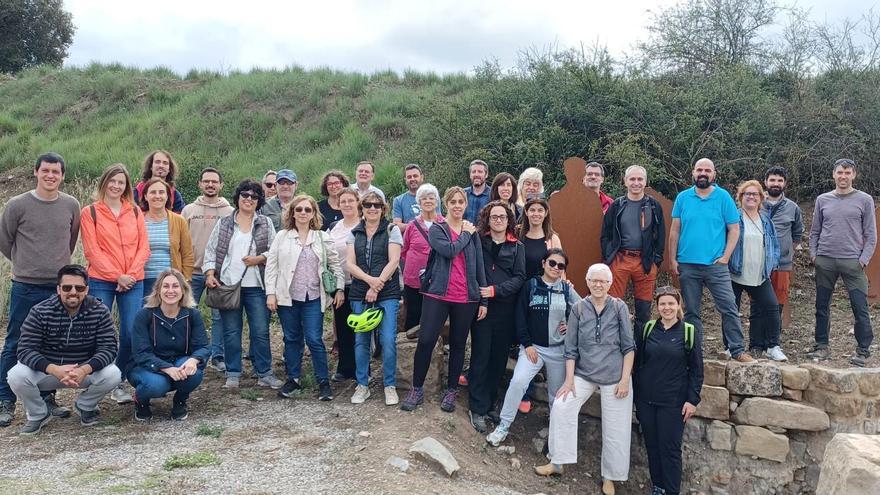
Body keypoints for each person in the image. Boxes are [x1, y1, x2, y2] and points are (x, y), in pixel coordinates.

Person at [536, 264, 635, 495]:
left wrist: (624, 379)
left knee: (617, 427)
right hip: (584, 374)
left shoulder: (619, 307)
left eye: (603, 281)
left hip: (615, 377)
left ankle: (610, 477)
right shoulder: (579, 309)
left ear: (609, 284)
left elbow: (629, 347)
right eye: (594, 281)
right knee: (561, 406)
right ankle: (558, 461)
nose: (598, 285)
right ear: (587, 282)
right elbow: (570, 349)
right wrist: (569, 380)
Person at [0, 152, 81, 427]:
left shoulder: (71, 205)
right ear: (36, 172)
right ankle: (5, 400)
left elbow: (70, 242)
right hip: (25, 285)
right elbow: (5, 239)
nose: (50, 176)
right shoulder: (17, 204)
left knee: (54, 343)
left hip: (58, 288)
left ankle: (48, 398)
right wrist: (24, 263)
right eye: (45, 171)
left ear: (62, 175)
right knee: (14, 342)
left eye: (56, 172)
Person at [400, 186, 488, 413]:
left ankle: (451, 390)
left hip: (466, 297)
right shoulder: (438, 229)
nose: (457, 206)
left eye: (461, 202)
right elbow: (448, 251)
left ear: (465, 205)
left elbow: (479, 265)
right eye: (453, 202)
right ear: (446, 205)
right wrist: (466, 234)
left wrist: (483, 299)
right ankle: (417, 389)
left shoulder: (472, 231)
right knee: (426, 340)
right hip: (438, 293)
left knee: (459, 344)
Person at [8, 264, 120, 435]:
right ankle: (38, 414)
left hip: (82, 372)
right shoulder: (40, 311)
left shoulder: (99, 311)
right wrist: (54, 369)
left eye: (79, 287)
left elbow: (109, 348)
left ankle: (85, 406)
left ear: (86, 289)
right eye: (67, 287)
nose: (73, 292)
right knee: (16, 374)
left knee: (113, 374)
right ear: (58, 289)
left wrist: (84, 369)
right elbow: (25, 350)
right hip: (49, 372)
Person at [486, 249, 580, 446]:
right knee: (518, 382)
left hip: (558, 350)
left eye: (561, 266)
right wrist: (526, 344)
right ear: (544, 263)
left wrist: (572, 325)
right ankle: (503, 425)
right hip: (533, 348)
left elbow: (584, 310)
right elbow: (520, 316)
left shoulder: (566, 289)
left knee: (557, 394)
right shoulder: (531, 285)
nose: (555, 268)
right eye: (552, 263)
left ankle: (556, 437)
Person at [668, 158, 753, 363]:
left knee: (729, 308)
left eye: (707, 170)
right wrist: (672, 259)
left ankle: (737, 350)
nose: (703, 173)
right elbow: (675, 230)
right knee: (691, 312)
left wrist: (725, 257)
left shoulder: (723, 197)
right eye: (699, 170)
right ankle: (693, 352)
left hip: (716, 266)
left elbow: (734, 229)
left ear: (714, 175)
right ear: (693, 173)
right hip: (687, 264)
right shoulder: (683, 198)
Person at [81, 163, 151, 404]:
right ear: (104, 182)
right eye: (112, 180)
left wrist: (129, 274)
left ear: (126, 186)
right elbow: (92, 251)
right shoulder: (90, 212)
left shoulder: (134, 211)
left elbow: (144, 248)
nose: (116, 185)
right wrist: (116, 276)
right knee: (98, 333)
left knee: (132, 331)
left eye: (121, 182)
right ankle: (94, 382)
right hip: (101, 279)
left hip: (133, 279)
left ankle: (118, 378)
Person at [203, 179, 282, 389]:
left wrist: (259, 259)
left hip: (257, 285)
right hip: (229, 285)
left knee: (260, 331)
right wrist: (210, 273)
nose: (249, 199)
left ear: (259, 201)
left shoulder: (265, 223)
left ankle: (264, 372)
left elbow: (274, 252)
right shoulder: (225, 223)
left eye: (254, 196)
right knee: (231, 332)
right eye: (245, 195)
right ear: (237, 198)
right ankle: (233, 373)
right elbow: (211, 251)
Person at [266, 195, 345, 401]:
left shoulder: (321, 237)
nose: (303, 213)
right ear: (292, 212)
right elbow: (271, 267)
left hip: (313, 296)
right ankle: (293, 379)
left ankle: (323, 382)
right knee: (291, 338)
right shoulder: (282, 237)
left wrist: (339, 289)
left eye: (307, 210)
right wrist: (271, 293)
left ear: (313, 214)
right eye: (299, 209)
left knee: (314, 339)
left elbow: (335, 265)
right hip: (288, 297)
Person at [634, 286, 704, 495]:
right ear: (657, 307)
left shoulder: (689, 331)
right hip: (646, 400)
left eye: (671, 303)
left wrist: (692, 400)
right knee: (652, 447)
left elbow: (697, 370)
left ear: (679, 305)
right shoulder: (647, 329)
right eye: (662, 303)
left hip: (673, 402)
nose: (667, 307)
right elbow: (637, 364)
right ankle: (658, 488)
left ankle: (672, 491)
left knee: (670, 450)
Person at [807, 158, 876, 366]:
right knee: (822, 306)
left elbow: (871, 235)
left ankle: (863, 350)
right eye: (839, 173)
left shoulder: (864, 200)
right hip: (825, 260)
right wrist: (814, 255)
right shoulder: (823, 199)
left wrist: (863, 260)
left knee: (859, 306)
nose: (843, 177)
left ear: (854, 175)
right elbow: (815, 231)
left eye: (847, 173)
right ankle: (821, 346)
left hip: (852, 262)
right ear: (833, 175)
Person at [467, 201, 526, 433]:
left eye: (502, 217)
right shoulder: (478, 242)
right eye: (494, 217)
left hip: (505, 309)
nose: (498, 220)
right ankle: (477, 407)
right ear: (487, 219)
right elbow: (472, 269)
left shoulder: (517, 246)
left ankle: (490, 403)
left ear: (509, 220)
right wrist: (484, 294)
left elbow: (520, 277)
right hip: (482, 308)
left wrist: (496, 290)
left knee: (498, 359)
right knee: (481, 355)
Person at [128, 269, 210, 421]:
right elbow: (141, 354)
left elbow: (203, 347)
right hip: (147, 367)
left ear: (183, 290)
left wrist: (193, 360)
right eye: (166, 286)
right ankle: (141, 401)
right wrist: (167, 368)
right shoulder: (144, 315)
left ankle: (180, 400)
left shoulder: (192, 314)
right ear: (158, 290)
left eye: (175, 286)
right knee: (156, 385)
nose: (170, 291)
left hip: (178, 363)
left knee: (194, 372)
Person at [346, 192, 402, 405]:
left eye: (377, 205)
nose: (372, 208)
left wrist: (377, 285)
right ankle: (362, 385)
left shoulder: (391, 230)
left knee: (388, 339)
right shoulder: (355, 233)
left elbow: (394, 260)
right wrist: (370, 281)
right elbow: (350, 264)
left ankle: (389, 385)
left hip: (387, 292)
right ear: (362, 207)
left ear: (383, 208)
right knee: (361, 341)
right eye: (368, 204)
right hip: (360, 292)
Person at [601, 165, 666, 335]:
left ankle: (640, 353)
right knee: (612, 307)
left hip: (645, 262)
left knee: (643, 311)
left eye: (639, 179)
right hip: (620, 259)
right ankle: (614, 348)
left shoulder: (653, 206)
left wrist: (655, 262)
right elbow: (605, 234)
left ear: (645, 182)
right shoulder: (617, 205)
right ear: (625, 181)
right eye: (632, 179)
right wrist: (610, 257)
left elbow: (660, 235)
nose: (636, 183)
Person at [182, 167, 234, 371]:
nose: (210, 185)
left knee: (219, 317)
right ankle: (190, 354)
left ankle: (218, 356)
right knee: (188, 314)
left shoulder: (229, 212)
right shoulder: (188, 210)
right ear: (200, 184)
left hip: (219, 274)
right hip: (192, 272)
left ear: (221, 185)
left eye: (214, 181)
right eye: (206, 181)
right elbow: (180, 241)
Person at [729, 181, 785, 361]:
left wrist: (772, 264)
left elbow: (774, 244)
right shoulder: (734, 217)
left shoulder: (766, 220)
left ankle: (773, 346)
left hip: (759, 275)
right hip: (735, 272)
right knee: (731, 310)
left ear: (761, 197)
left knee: (771, 306)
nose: (751, 197)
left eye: (755, 194)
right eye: (747, 194)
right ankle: (730, 347)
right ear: (740, 197)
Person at [400, 184, 444, 339]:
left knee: (434, 313)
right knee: (413, 311)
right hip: (414, 278)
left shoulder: (444, 224)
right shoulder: (412, 226)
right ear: (418, 202)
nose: (428, 201)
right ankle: (410, 348)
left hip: (438, 278)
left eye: (431, 198)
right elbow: (404, 250)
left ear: (437, 201)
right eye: (424, 198)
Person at [761, 166, 803, 324]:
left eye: (780, 180)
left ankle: (773, 339)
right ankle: (757, 341)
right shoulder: (755, 203)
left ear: (785, 184)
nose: (775, 184)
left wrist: (787, 251)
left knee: (778, 301)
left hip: (782, 264)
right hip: (759, 262)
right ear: (765, 182)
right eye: (772, 180)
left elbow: (797, 233)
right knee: (757, 302)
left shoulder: (793, 208)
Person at [139, 177, 195, 296]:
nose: (157, 196)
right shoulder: (137, 219)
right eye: (153, 192)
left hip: (170, 281)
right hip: (142, 281)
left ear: (167, 196)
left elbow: (187, 254)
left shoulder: (179, 221)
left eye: (161, 192)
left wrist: (185, 280)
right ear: (145, 196)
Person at [328, 188, 361, 382]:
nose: (347, 204)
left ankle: (361, 368)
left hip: (360, 284)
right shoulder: (334, 227)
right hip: (340, 284)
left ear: (357, 203)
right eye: (343, 201)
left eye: (351, 200)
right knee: (342, 326)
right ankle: (344, 366)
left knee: (360, 327)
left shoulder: (365, 225)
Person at [518, 198, 563, 277]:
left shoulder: (553, 239)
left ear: (546, 213)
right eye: (532, 210)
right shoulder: (517, 234)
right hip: (518, 286)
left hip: (543, 287)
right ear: (526, 212)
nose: (536, 214)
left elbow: (559, 268)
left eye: (540, 210)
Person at [393, 164, 440, 232]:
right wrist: (418, 225)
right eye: (409, 177)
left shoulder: (433, 198)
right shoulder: (398, 200)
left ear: (421, 177)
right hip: (409, 240)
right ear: (405, 180)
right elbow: (397, 226)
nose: (412, 179)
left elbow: (438, 220)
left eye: (415, 176)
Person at [463, 159, 490, 224]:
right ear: (470, 175)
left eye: (480, 172)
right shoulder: (462, 194)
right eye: (473, 172)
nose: (476, 174)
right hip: (464, 233)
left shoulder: (493, 194)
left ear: (486, 175)